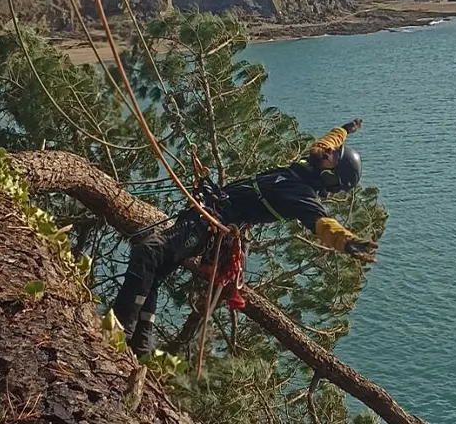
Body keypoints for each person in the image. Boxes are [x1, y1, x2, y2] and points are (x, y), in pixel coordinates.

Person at [112, 119, 378, 356]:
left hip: (210, 225)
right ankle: (141, 343)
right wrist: (345, 130)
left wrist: (346, 241)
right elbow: (327, 142)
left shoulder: (302, 197)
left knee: (149, 253)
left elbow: (323, 224)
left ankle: (120, 328)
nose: (328, 151)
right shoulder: (305, 167)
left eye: (333, 156)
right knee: (155, 271)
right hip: (207, 212)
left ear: (330, 175)